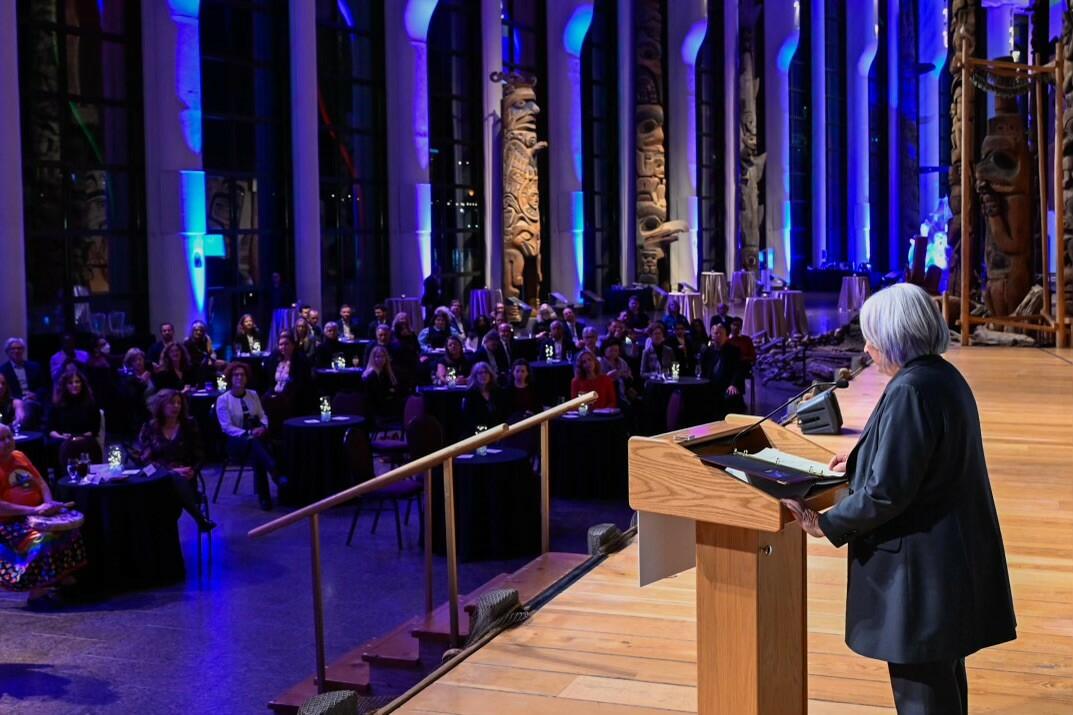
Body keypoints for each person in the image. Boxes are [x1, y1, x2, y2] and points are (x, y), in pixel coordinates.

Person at [782, 284, 1016, 714]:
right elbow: (923, 455)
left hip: (919, 572)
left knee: (922, 695)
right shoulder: (939, 376)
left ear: (895, 337)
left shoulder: (911, 389)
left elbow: (887, 493)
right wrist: (862, 456)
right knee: (942, 685)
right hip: (945, 565)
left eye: (872, 337)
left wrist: (826, 523)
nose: (867, 347)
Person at [0, 424, 86, 609]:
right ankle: (37, 593)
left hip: (36, 512)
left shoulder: (19, 456)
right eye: (1, 439)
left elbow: (40, 482)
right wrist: (34, 511)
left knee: (70, 531)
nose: (7, 442)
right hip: (10, 522)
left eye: (8, 437)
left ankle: (64, 581)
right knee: (43, 540)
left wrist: (48, 504)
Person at [135, 390, 214, 531]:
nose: (176, 406)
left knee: (171, 498)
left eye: (179, 403)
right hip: (156, 480)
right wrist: (169, 471)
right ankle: (199, 518)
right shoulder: (149, 427)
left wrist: (193, 470)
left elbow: (200, 454)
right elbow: (143, 462)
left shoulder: (189, 425)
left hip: (186, 479)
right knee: (170, 480)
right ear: (161, 405)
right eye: (172, 403)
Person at [215, 362, 280, 510]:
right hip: (236, 442)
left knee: (257, 448)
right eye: (236, 375)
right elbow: (226, 427)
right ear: (230, 378)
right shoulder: (223, 400)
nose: (239, 378)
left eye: (242, 375)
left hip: (255, 439)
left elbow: (263, 415)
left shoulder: (253, 394)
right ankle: (274, 472)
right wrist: (248, 433)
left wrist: (263, 426)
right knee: (255, 444)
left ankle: (266, 497)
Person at [47, 369, 100, 453]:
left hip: (85, 440)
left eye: (77, 382)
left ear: (82, 384)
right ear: (65, 386)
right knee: (63, 446)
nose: (74, 385)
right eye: (70, 383)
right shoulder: (57, 405)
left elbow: (94, 430)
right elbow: (50, 430)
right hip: (62, 440)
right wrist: (61, 437)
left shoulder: (91, 404)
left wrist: (79, 437)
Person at [699, 323, 746, 417]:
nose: (718, 336)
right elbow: (703, 370)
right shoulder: (707, 351)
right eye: (716, 333)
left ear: (726, 336)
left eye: (721, 333)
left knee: (731, 396)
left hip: (727, 384)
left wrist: (733, 384)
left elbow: (738, 370)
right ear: (711, 335)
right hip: (710, 384)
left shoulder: (734, 350)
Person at [265, 331, 313, 406]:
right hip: (276, 395)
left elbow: (300, 385)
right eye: (281, 345)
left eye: (286, 344)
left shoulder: (301, 361)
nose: (283, 347)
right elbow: (271, 382)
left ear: (293, 345)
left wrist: (283, 396)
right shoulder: (274, 360)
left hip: (294, 398)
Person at [460, 362, 506, 434]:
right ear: (475, 376)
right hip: (477, 431)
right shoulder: (470, 394)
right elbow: (469, 419)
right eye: (480, 373)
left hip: (496, 429)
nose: (483, 375)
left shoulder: (497, 392)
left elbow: (502, 413)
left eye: (486, 372)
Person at [362, 345, 402, 428]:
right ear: (373, 358)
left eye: (383, 356)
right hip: (374, 411)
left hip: (382, 405)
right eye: (378, 357)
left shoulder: (384, 373)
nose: (380, 359)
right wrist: (390, 392)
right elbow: (376, 397)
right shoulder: (371, 375)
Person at [116, 348, 152, 438]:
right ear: (129, 363)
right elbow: (133, 399)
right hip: (140, 416)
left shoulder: (149, 374)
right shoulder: (127, 378)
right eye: (134, 360)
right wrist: (142, 383)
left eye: (140, 359)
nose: (138, 362)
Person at [2, 338, 48, 405]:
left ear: (23, 350)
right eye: (13, 348)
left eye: (19, 348)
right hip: (14, 403)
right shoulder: (3, 370)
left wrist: (35, 395)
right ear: (7, 351)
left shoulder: (35, 367)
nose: (16, 351)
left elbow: (43, 387)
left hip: (34, 401)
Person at [599, 338, 635, 405]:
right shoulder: (599, 362)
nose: (613, 353)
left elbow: (630, 376)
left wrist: (625, 375)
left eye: (616, 351)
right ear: (604, 350)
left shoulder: (622, 362)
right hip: (607, 392)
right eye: (611, 350)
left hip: (624, 392)